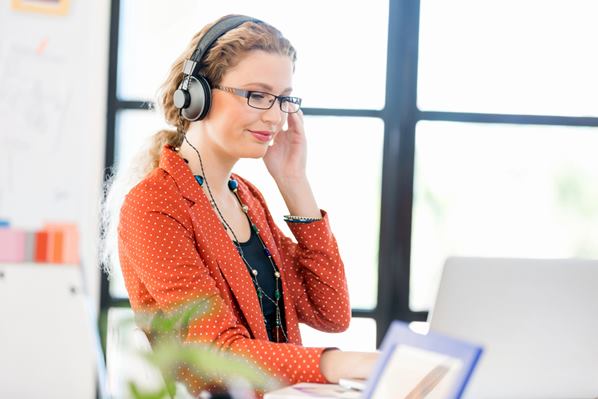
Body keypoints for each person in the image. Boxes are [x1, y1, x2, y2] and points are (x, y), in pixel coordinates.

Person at [110, 14, 377, 395]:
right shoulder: (154, 205)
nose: (274, 116)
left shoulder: (245, 196)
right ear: (197, 95)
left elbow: (330, 311)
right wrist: (346, 364)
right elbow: (217, 353)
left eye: (283, 99)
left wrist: (293, 182)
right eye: (257, 95)